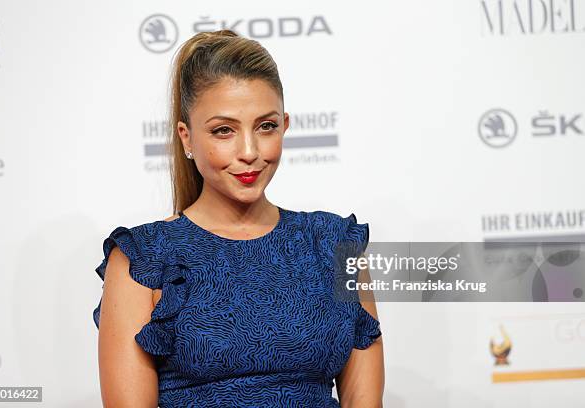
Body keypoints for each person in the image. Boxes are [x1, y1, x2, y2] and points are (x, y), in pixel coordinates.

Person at [92, 29, 384, 407]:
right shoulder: (144, 259)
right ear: (187, 138)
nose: (249, 151)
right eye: (224, 131)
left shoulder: (334, 244)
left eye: (266, 126)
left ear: (286, 125)